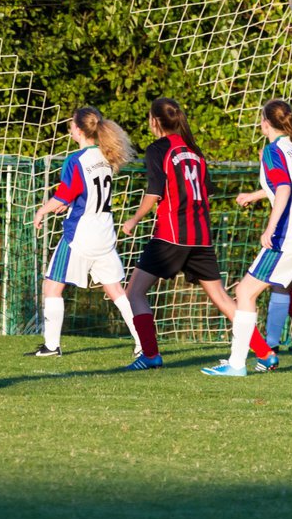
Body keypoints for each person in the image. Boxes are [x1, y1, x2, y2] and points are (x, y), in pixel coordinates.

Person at [118, 97, 275, 370]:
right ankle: (264, 353)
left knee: (135, 293)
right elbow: (204, 192)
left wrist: (134, 218)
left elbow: (155, 192)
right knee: (223, 298)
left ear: (155, 121)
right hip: (200, 235)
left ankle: (151, 354)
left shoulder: (158, 149)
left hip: (171, 235)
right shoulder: (195, 151)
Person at [28, 107, 142, 357]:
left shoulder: (76, 160)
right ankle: (143, 342)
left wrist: (42, 211)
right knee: (116, 291)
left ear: (78, 130)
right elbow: (86, 193)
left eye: (71, 125)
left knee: (52, 287)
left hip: (79, 235)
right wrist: (68, 203)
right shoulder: (108, 156)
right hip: (104, 234)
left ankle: (51, 346)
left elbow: (65, 194)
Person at [202, 99, 292, 376]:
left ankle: (237, 363)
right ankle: (253, 358)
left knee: (244, 292)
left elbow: (284, 189)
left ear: (265, 122)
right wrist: (255, 195)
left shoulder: (271, 151)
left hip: (286, 236)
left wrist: (270, 227)